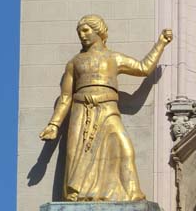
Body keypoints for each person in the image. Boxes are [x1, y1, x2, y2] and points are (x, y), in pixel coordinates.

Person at [39, 15, 172, 201]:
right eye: (79, 32)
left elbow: (143, 68)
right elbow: (66, 97)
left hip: (108, 110)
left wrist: (160, 44)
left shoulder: (113, 58)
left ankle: (132, 193)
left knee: (125, 149)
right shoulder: (74, 62)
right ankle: (77, 195)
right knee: (75, 154)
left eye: (86, 30)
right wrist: (54, 125)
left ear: (99, 30)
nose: (82, 35)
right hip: (82, 110)